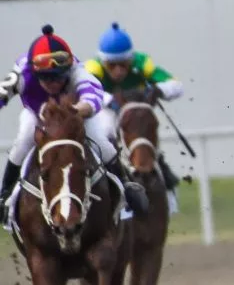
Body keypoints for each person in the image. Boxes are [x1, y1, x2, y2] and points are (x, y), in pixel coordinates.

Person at [0, 25, 149, 226]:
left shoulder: (78, 71)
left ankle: (126, 186)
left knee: (100, 141)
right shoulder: (22, 73)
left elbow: (92, 99)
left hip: (75, 113)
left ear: (68, 69)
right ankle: (4, 195)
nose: (53, 83)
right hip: (38, 113)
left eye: (59, 76)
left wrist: (73, 111)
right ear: (34, 73)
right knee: (25, 138)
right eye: (46, 77)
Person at [86, 22, 185, 201]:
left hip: (136, 114)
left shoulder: (142, 63)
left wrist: (158, 90)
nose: (118, 70)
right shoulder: (93, 67)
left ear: (130, 59)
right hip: (107, 112)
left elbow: (177, 86)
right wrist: (110, 100)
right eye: (112, 65)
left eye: (123, 64)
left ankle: (161, 169)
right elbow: (87, 91)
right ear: (103, 61)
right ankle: (108, 173)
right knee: (106, 128)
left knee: (145, 128)